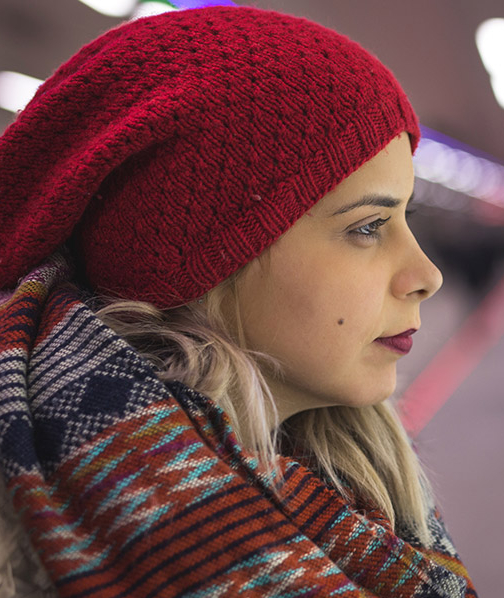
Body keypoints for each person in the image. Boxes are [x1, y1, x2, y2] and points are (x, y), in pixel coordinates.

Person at [0, 6, 477, 597]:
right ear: (205, 256)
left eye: (407, 218)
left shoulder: (364, 499)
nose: (426, 274)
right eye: (366, 227)